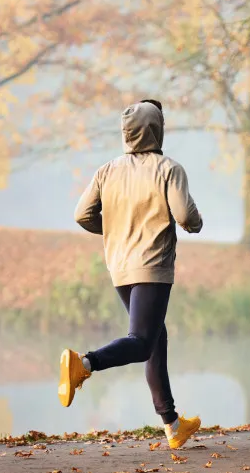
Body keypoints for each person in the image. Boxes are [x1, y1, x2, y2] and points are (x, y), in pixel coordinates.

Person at [60, 99, 203, 450]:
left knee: (155, 336)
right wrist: (196, 223)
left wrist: (113, 230)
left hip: (120, 266)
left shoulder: (106, 171)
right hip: (152, 265)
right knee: (141, 341)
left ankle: (172, 424)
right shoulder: (168, 169)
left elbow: (82, 214)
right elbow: (185, 217)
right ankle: (85, 364)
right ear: (157, 130)